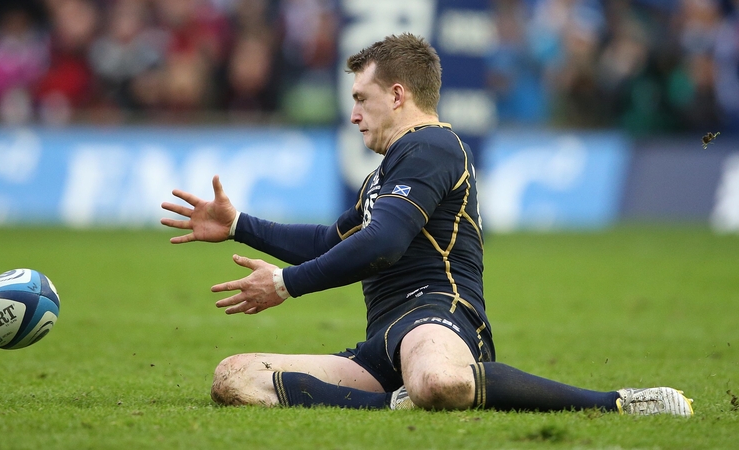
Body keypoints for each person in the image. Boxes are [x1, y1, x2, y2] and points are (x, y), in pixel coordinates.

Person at [160, 33, 693, 415]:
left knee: (437, 382)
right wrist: (239, 225)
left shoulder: (432, 145)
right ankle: (392, 402)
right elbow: (331, 241)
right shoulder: (385, 173)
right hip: (382, 343)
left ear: (397, 95)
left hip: (439, 320)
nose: (354, 115)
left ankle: (619, 403)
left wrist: (284, 284)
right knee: (234, 377)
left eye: (361, 100)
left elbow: (385, 244)